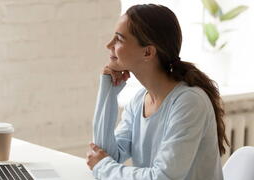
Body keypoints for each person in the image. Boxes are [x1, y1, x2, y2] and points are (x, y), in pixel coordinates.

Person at [86, 4, 229, 180]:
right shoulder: (139, 101)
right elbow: (104, 154)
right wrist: (108, 92)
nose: (108, 45)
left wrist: (102, 166)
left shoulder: (189, 102)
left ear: (148, 52)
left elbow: (163, 177)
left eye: (119, 39)